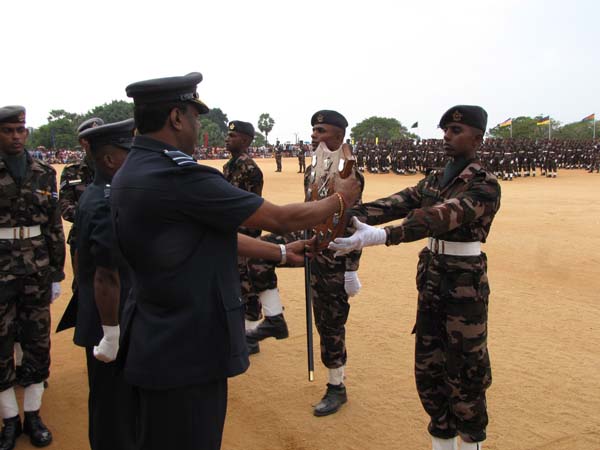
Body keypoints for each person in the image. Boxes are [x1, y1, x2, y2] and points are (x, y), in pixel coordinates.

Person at [110, 72, 360, 450]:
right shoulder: (175, 174)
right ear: (176, 118)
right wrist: (341, 199)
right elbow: (279, 218)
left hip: (158, 336)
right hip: (186, 347)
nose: (198, 125)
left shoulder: (136, 168)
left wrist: (278, 252)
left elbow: (204, 237)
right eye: (195, 115)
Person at [329, 105, 501, 450]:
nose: (447, 138)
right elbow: (397, 202)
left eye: (456, 131)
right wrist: (344, 213)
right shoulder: (437, 179)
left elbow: (440, 216)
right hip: (434, 280)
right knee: (429, 372)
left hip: (464, 287)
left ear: (478, 138)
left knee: (465, 374)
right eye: (445, 131)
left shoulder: (484, 185)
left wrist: (383, 236)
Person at [246, 110, 364, 416]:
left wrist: (351, 268)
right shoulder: (314, 168)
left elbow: (353, 223)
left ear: (338, 135)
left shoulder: (349, 172)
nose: (314, 135)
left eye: (321, 130)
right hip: (310, 238)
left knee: (329, 322)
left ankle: (336, 386)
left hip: (335, 251)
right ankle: (274, 317)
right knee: (259, 251)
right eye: (313, 130)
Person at [0, 105, 65, 449]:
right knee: (1, 345)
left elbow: (53, 225)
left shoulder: (43, 171)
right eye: (7, 130)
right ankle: (9, 419)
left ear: (26, 133)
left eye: (19, 130)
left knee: (37, 343)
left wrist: (57, 270)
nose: (14, 136)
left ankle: (33, 414)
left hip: (37, 268)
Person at [73, 119, 137, 450]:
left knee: (111, 406)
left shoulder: (99, 193)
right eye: (129, 152)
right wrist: (111, 333)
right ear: (109, 160)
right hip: (109, 319)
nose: (135, 158)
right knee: (114, 411)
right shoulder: (105, 201)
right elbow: (106, 274)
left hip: (103, 314)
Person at [55, 117, 103, 333]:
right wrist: (96, 216)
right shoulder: (73, 171)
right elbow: (65, 206)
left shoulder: (119, 164)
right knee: (85, 290)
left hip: (116, 236)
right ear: (83, 142)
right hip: (82, 240)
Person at [223, 121, 264, 324]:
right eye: (228, 135)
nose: (227, 139)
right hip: (231, 233)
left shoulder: (250, 169)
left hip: (246, 236)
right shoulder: (228, 166)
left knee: (248, 282)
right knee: (235, 282)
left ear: (245, 140)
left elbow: (252, 207)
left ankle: (253, 329)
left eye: (233, 136)